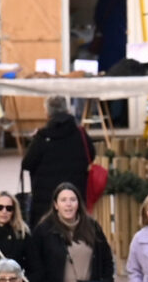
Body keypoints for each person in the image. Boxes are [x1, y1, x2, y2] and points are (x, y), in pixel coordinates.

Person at [19, 99, 96, 233]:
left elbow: (27, 164)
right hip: (75, 195)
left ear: (48, 114)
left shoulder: (42, 137)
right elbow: (91, 155)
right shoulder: (80, 134)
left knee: (46, 237)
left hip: (45, 202)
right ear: (67, 110)